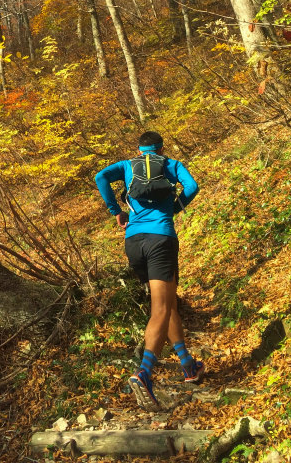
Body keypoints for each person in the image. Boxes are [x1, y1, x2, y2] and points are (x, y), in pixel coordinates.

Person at [95, 130, 204, 411]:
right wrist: (176, 207)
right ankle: (143, 373)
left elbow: (100, 177)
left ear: (139, 149)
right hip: (160, 240)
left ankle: (188, 365)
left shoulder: (127, 166)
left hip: (134, 243)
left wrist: (116, 211)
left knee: (168, 306)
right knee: (161, 309)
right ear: (161, 148)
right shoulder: (171, 165)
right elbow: (192, 187)